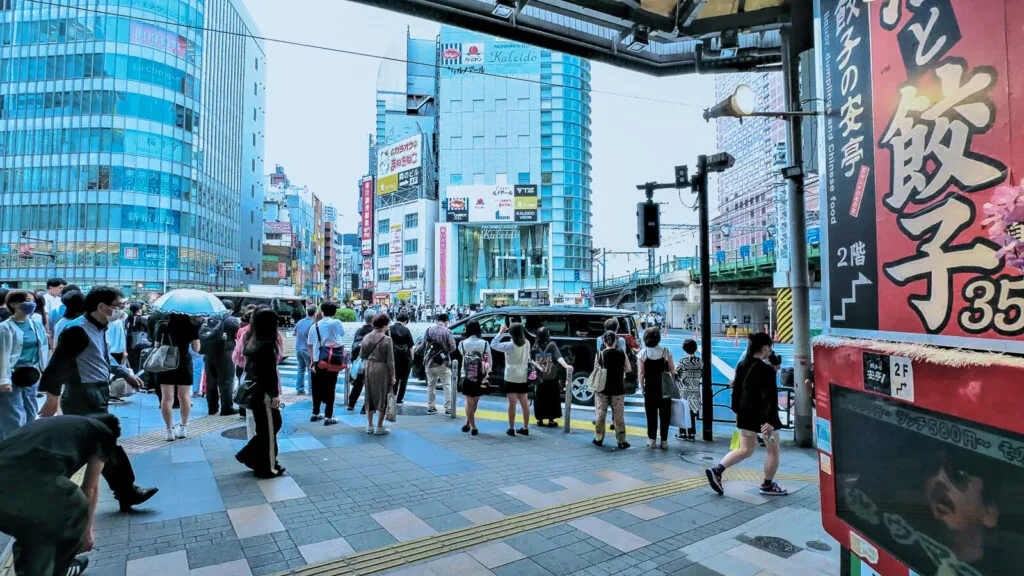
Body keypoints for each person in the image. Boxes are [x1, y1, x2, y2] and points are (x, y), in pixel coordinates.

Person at [39, 286, 158, 512]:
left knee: (89, 448)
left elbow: (101, 360)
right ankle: (126, 491)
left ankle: (49, 489)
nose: (121, 311)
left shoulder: (100, 329)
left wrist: (125, 374)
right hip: (83, 396)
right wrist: (52, 399)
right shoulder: (77, 331)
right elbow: (57, 366)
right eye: (118, 306)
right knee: (105, 444)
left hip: (97, 394)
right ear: (102, 307)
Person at [0, 413, 123, 576]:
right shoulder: (103, 433)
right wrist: (87, 533)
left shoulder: (57, 427)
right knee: (75, 505)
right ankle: (61, 570)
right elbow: (90, 489)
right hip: (29, 482)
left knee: (35, 530)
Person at [705, 332, 787, 496]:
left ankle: (717, 469)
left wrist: (737, 413)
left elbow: (736, 392)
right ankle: (767, 485)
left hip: (745, 416)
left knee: (745, 449)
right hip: (765, 421)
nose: (771, 351)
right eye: (770, 347)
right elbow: (770, 397)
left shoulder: (742, 364)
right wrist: (770, 421)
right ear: (764, 348)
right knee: (773, 451)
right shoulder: (766, 370)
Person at [235, 308, 285, 478]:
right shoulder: (267, 344)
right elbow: (269, 373)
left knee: (267, 428)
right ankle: (266, 466)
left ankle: (254, 457)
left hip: (255, 390)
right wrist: (274, 395)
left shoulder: (251, 338)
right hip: (264, 393)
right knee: (270, 428)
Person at [0, 290, 50, 441]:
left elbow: (43, 349)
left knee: (31, 409)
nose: (32, 304)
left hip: (31, 375)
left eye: (33, 300)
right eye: (27, 300)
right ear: (14, 304)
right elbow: (2, 355)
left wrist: (44, 372)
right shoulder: (5, 328)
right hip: (12, 375)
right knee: (13, 414)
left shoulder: (36, 325)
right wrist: (4, 380)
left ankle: (27, 443)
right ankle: (10, 447)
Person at [154, 313, 200, 441]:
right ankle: (183, 428)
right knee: (184, 397)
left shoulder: (162, 326)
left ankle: (169, 430)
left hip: (166, 363)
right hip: (184, 362)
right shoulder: (192, 326)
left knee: (166, 397)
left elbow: (156, 346)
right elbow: (196, 349)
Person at [306, 301, 345, 426]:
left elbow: (310, 345)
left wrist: (312, 360)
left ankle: (315, 413)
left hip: (318, 360)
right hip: (332, 359)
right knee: (330, 387)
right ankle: (329, 416)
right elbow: (341, 334)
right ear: (334, 312)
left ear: (322, 311)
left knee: (316, 387)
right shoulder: (336, 323)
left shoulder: (315, 326)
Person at [201, 300, 242, 415]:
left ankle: (212, 408)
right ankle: (226, 408)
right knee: (226, 381)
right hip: (225, 352)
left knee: (211, 381)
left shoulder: (210, 319)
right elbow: (238, 334)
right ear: (231, 309)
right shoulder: (230, 320)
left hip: (209, 353)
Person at [637, 327, 675, 449]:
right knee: (665, 415)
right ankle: (664, 441)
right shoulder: (666, 351)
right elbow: (672, 369)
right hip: (664, 387)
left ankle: (652, 439)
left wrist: (642, 386)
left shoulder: (643, 353)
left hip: (650, 387)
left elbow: (641, 373)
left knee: (651, 414)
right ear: (658, 338)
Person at [492, 322, 531, 437]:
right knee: (525, 403)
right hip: (523, 376)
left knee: (512, 403)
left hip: (510, 376)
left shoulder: (509, 345)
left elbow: (493, 344)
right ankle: (525, 427)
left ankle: (511, 428)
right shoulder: (527, 343)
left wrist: (500, 332)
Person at [593, 330, 631, 449]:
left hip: (602, 389)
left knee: (600, 415)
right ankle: (621, 441)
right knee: (619, 416)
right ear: (616, 341)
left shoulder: (600, 354)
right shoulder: (621, 353)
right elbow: (628, 369)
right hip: (618, 388)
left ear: (604, 341)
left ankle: (598, 438)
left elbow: (596, 370)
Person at [360, 313, 396, 435]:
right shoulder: (387, 339)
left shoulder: (366, 337)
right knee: (383, 396)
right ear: (384, 325)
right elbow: (390, 360)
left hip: (369, 367)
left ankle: (369, 425)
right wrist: (393, 375)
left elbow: (362, 355)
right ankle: (379, 426)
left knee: (369, 395)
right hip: (382, 369)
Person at [531, 327, 572, 428]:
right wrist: (566, 366)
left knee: (539, 397)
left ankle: (540, 419)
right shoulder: (551, 344)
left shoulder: (535, 345)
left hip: (539, 376)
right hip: (551, 376)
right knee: (552, 397)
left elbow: (530, 359)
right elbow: (558, 357)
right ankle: (551, 420)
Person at [457, 319, 490, 436]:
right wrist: (487, 375)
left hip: (465, 375)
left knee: (468, 401)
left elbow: (462, 354)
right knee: (475, 402)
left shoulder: (462, 344)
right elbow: (489, 361)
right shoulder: (485, 343)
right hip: (480, 376)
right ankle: (473, 426)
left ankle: (468, 423)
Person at [423, 313, 456, 415]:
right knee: (446, 385)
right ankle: (448, 408)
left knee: (431, 385)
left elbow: (424, 345)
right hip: (443, 363)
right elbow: (453, 347)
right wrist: (445, 351)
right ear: (446, 321)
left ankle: (431, 407)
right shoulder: (448, 332)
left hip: (429, 362)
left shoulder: (429, 330)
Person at [675, 339, 704, 441]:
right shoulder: (700, 361)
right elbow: (702, 374)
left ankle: (682, 433)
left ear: (684, 349)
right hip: (695, 388)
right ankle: (691, 433)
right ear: (695, 348)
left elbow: (676, 374)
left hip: (684, 388)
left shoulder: (682, 361)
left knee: (682, 411)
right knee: (692, 411)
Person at [347, 310, 375, 413]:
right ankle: (365, 408)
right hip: (371, 362)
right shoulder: (375, 332)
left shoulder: (359, 330)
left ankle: (351, 404)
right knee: (370, 386)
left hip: (359, 362)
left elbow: (354, 345)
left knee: (357, 384)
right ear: (373, 319)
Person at [390, 313, 415, 404]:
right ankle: (399, 399)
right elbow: (410, 347)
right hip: (405, 358)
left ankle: (393, 395)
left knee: (394, 377)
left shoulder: (389, 329)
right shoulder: (406, 330)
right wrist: (412, 359)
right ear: (405, 321)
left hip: (393, 357)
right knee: (404, 380)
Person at [293, 306, 316, 395]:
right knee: (310, 369)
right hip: (307, 349)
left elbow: (294, 333)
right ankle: (311, 389)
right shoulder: (313, 324)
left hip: (298, 348)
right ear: (314, 313)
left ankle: (300, 388)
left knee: (300, 369)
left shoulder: (300, 322)